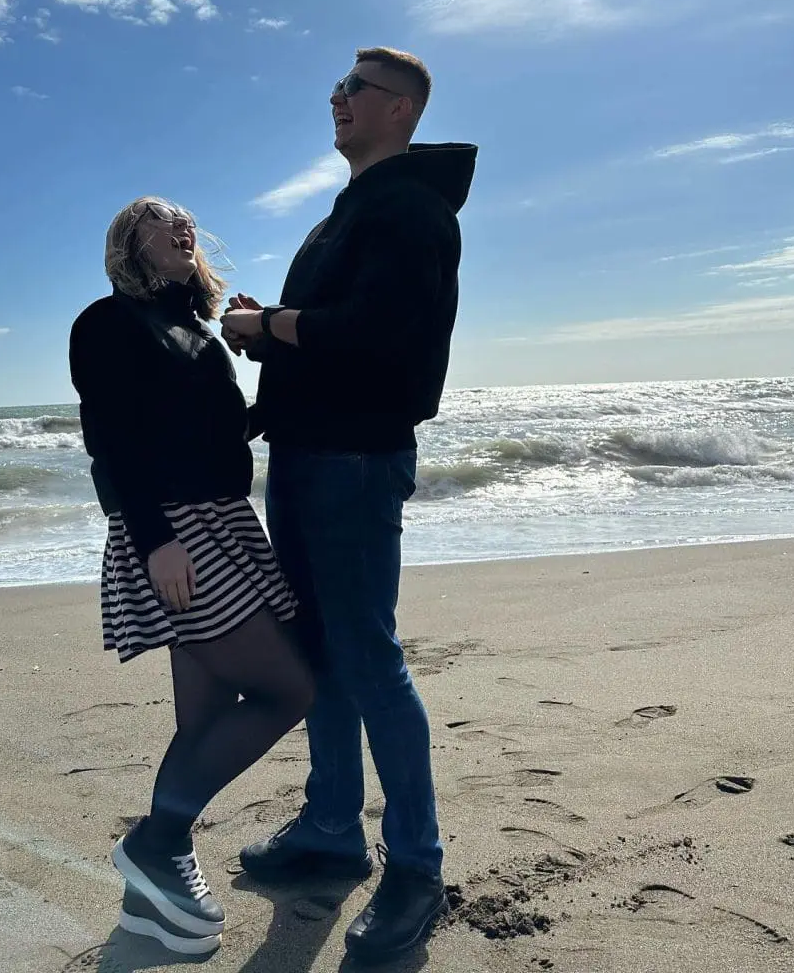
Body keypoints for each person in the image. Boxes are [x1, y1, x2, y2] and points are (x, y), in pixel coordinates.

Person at [221, 47, 477, 963]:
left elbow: (381, 335)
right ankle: (332, 826)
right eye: (336, 85)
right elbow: (336, 338)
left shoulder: (411, 207)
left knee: (368, 658)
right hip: (306, 455)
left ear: (400, 109)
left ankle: (416, 867)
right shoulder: (350, 210)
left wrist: (269, 324)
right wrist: (269, 336)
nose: (336, 96)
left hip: (356, 463)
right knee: (320, 653)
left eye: (355, 87)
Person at [69, 197, 314, 954]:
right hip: (176, 531)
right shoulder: (108, 322)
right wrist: (155, 541)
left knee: (204, 719)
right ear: (128, 243)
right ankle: (156, 843)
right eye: (158, 219)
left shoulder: (197, 331)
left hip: (223, 521)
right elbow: (112, 441)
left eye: (185, 220)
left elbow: (223, 433)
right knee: (288, 690)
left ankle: (150, 898)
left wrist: (274, 358)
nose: (181, 226)